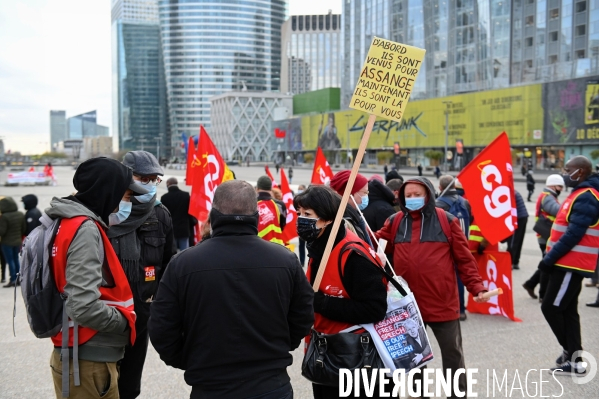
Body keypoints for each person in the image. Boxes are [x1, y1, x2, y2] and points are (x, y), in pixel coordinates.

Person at [149, 180, 313, 399]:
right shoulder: (286, 260)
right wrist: (279, 347)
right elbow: (303, 316)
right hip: (270, 383)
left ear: (213, 214)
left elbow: (161, 327)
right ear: (256, 216)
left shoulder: (183, 264)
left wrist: (190, 359)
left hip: (210, 385)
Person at [375, 177, 488, 398]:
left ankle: (458, 394)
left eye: (418, 194)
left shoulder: (447, 220)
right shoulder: (395, 221)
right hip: (409, 306)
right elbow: (375, 246)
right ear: (401, 197)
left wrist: (477, 288)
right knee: (416, 358)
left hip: (442, 302)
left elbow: (465, 261)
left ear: (428, 195)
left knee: (452, 354)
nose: (413, 199)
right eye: (409, 195)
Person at [45, 157, 140, 398]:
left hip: (77, 353)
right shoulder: (84, 229)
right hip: (88, 360)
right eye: (126, 195)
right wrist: (122, 323)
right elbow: (83, 305)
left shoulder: (64, 222)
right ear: (109, 192)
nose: (125, 203)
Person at [294, 185, 387, 398]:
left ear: (328, 219)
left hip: (352, 358)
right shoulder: (318, 247)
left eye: (308, 214)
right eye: (299, 213)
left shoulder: (354, 255)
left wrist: (321, 303)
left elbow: (374, 309)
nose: (301, 219)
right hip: (324, 352)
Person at [109, 151, 176, 399]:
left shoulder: (160, 215)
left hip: (141, 311)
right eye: (142, 178)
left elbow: (169, 265)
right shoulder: (107, 212)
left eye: (154, 179)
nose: (148, 183)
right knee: (102, 380)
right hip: (106, 310)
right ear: (126, 176)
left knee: (129, 386)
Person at [538, 156, 599, 375]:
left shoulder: (587, 197)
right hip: (568, 263)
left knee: (551, 307)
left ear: (580, 172)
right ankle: (574, 358)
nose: (565, 173)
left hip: (569, 264)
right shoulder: (580, 193)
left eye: (568, 170)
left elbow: (574, 234)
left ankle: (572, 354)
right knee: (569, 311)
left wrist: (549, 259)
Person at [436, 175, 473, 321]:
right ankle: (461, 310)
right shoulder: (465, 202)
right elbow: (472, 219)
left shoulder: (439, 204)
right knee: (460, 278)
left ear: (440, 187)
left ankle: (448, 309)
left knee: (445, 278)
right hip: (464, 244)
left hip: (446, 247)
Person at [522, 174, 564, 301]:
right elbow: (558, 211)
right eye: (560, 186)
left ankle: (531, 284)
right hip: (547, 235)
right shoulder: (548, 197)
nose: (561, 189)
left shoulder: (548, 196)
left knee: (547, 262)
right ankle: (543, 294)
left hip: (545, 234)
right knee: (547, 263)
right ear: (553, 185)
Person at [329, 170, 373, 247]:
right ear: (350, 194)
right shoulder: (342, 222)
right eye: (365, 192)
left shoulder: (354, 216)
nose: (366, 196)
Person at [161, 177, 194, 251]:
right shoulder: (186, 195)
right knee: (185, 251)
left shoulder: (164, 198)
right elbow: (190, 212)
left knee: (172, 251)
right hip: (184, 228)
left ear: (168, 184)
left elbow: (163, 215)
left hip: (171, 229)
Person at [0, 196, 26, 288]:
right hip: (17, 241)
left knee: (10, 261)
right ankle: (18, 278)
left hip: (7, 243)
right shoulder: (20, 214)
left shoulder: (5, 217)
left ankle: (12, 279)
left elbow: (2, 231)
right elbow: (23, 229)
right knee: (16, 259)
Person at [256, 175, 287, 245]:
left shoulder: (251, 204)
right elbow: (282, 225)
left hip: (258, 245)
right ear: (271, 188)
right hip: (277, 245)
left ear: (257, 188)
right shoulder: (280, 205)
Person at [507, 191, 529, 270]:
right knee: (519, 240)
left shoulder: (508, 192)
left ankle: (510, 262)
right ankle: (516, 261)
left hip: (517, 217)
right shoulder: (513, 191)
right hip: (523, 216)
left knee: (513, 241)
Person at [296, 184, 307, 266]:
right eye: (299, 189)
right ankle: (302, 262)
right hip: (302, 226)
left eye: (301, 189)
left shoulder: (308, 201)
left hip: (309, 225)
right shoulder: (297, 201)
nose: (299, 190)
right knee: (301, 245)